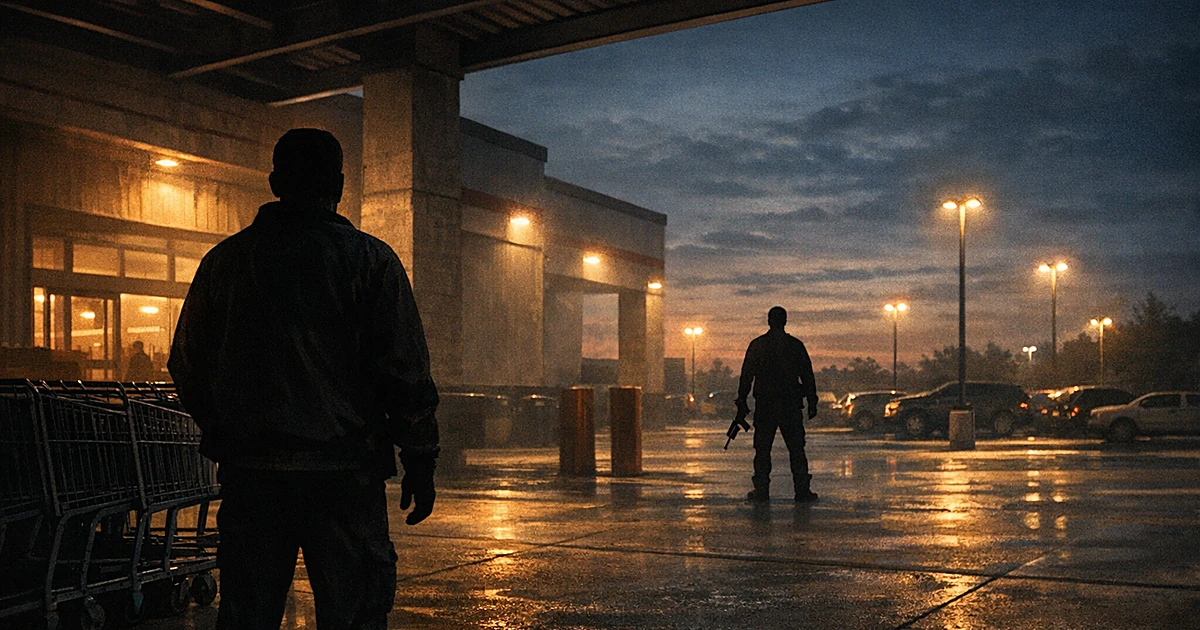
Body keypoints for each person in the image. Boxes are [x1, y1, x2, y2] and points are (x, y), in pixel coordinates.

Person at [168, 128, 439, 630]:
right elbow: (405, 372)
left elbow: (187, 363)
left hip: (253, 476)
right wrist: (420, 457)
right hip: (345, 475)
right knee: (354, 614)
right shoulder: (370, 261)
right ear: (339, 186)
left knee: (248, 615)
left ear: (274, 183)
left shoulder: (226, 262)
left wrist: (229, 429)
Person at [735, 306, 819, 504]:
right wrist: (812, 401)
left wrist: (742, 400)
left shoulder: (758, 345)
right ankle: (802, 490)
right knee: (796, 449)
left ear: (769, 321)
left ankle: (762, 490)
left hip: (766, 405)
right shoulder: (795, 345)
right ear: (785, 321)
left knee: (763, 449)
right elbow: (807, 375)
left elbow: (746, 375)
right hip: (790, 405)